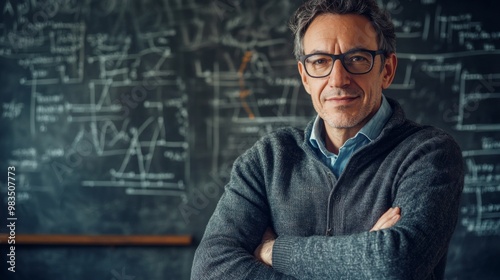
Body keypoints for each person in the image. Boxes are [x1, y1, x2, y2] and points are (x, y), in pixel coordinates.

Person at [191, 0, 464, 279]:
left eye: (357, 58)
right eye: (320, 61)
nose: (338, 79)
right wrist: (364, 259)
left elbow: (395, 263)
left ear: (387, 70)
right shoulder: (267, 160)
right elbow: (210, 269)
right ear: (305, 77)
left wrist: (275, 252)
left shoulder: (430, 154)